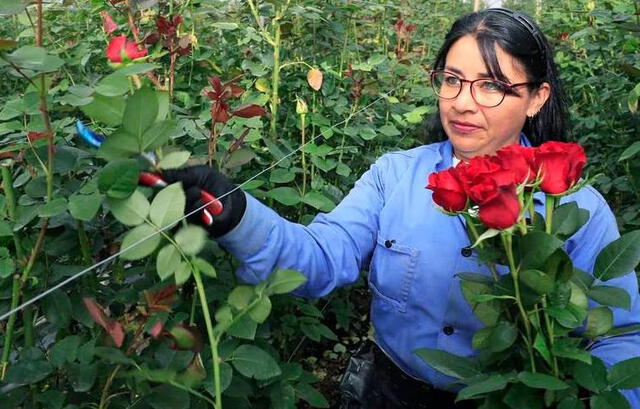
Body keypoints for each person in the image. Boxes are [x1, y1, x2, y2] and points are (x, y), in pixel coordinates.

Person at [163, 8, 640, 409]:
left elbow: (620, 339)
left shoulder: (574, 208)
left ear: (537, 98)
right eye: (452, 80)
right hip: (390, 392)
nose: (463, 103)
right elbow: (325, 255)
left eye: (491, 86)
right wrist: (236, 214)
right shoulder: (396, 177)